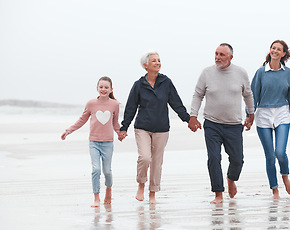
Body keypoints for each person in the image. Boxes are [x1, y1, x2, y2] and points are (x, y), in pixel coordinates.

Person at [118, 51, 190, 204]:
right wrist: (124, 128)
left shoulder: (166, 82)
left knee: (157, 162)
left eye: (159, 60)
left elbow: (176, 103)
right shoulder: (138, 85)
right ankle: (141, 184)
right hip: (142, 127)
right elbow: (130, 108)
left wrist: (188, 119)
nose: (157, 63)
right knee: (144, 157)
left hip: (162, 128)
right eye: (154, 61)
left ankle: (152, 194)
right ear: (146, 65)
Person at [188, 43, 255, 204]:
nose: (217, 57)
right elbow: (198, 95)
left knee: (237, 160)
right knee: (213, 158)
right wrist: (193, 116)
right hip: (212, 123)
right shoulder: (207, 73)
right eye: (216, 54)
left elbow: (248, 94)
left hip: (234, 124)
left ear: (230, 57)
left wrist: (251, 114)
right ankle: (218, 194)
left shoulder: (240, 73)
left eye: (222, 55)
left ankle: (231, 179)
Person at [61, 76, 120, 207]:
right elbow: (82, 120)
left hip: (108, 143)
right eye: (101, 87)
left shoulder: (114, 105)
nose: (103, 89)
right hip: (94, 142)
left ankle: (108, 191)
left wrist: (120, 133)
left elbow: (115, 123)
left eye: (106, 87)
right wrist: (69, 130)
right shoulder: (91, 104)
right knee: (96, 170)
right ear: (97, 88)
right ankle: (96, 197)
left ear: (111, 89)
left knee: (107, 171)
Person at [250, 40, 290, 199]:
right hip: (263, 113)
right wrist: (248, 115)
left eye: (279, 49)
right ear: (270, 50)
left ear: (284, 53)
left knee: (280, 152)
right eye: (273, 48)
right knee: (270, 155)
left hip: (282, 113)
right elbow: (253, 96)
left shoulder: (288, 73)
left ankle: (285, 176)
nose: (275, 51)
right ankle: (275, 190)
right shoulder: (260, 72)